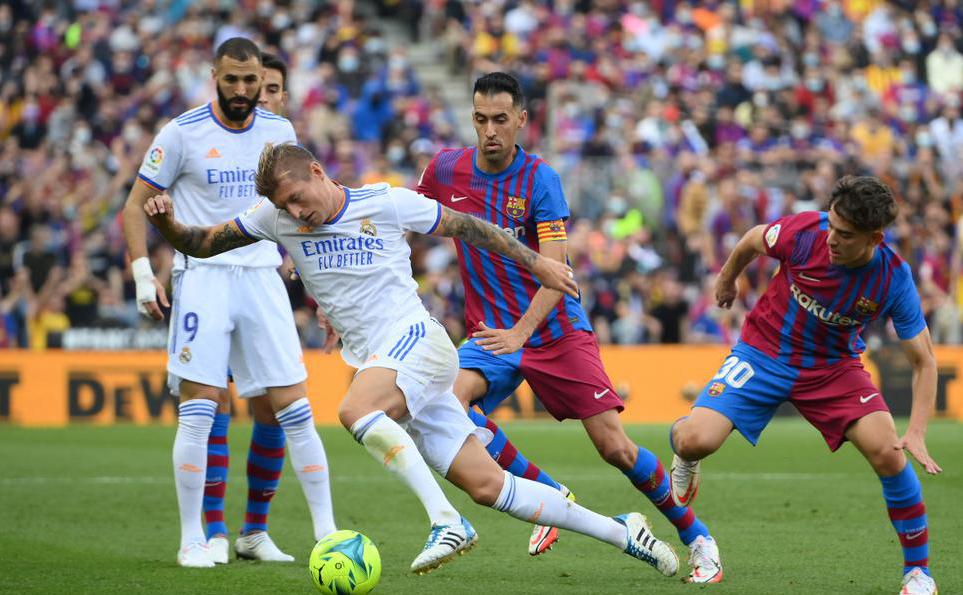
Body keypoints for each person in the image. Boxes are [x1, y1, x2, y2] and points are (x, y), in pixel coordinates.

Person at [143, 141, 681, 578]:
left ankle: (446, 521)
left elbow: (471, 228)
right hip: (389, 362)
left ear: (316, 169)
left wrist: (536, 262)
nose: (295, 212)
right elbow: (205, 241)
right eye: (284, 207)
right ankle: (622, 529)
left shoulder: (387, 202)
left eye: (297, 197)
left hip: (417, 341)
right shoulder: (275, 218)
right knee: (489, 487)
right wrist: (166, 224)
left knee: (355, 411)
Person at [416, 71, 722, 583]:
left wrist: (521, 334)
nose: (489, 130)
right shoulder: (446, 169)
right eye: (480, 119)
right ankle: (554, 498)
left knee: (615, 448)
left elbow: (556, 275)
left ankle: (698, 537)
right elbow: (407, 220)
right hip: (492, 335)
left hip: (553, 330)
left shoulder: (540, 181)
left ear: (521, 120)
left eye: (499, 119)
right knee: (449, 408)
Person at [669, 176, 941, 595]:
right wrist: (727, 280)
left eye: (845, 234)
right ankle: (685, 458)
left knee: (890, 454)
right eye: (831, 225)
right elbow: (752, 239)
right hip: (763, 352)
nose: (831, 238)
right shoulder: (805, 232)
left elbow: (924, 360)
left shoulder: (893, 278)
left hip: (833, 369)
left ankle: (918, 574)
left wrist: (917, 431)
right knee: (693, 440)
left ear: (874, 238)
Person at [122, 38, 336, 568]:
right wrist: (142, 276)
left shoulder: (278, 132)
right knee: (199, 409)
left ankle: (325, 534)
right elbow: (133, 207)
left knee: (295, 408)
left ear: (261, 77)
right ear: (214, 74)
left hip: (262, 277)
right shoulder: (181, 132)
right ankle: (195, 537)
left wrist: (322, 289)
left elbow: (297, 212)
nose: (242, 90)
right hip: (204, 277)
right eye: (231, 79)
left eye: (250, 80)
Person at [199, 51, 310, 565]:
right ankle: (214, 531)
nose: (256, 97)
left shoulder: (283, 144)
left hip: (263, 281)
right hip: (211, 281)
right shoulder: (208, 134)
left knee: (273, 406)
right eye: (250, 86)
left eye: (269, 89)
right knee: (213, 401)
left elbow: (304, 221)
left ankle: (254, 532)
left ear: (281, 95)